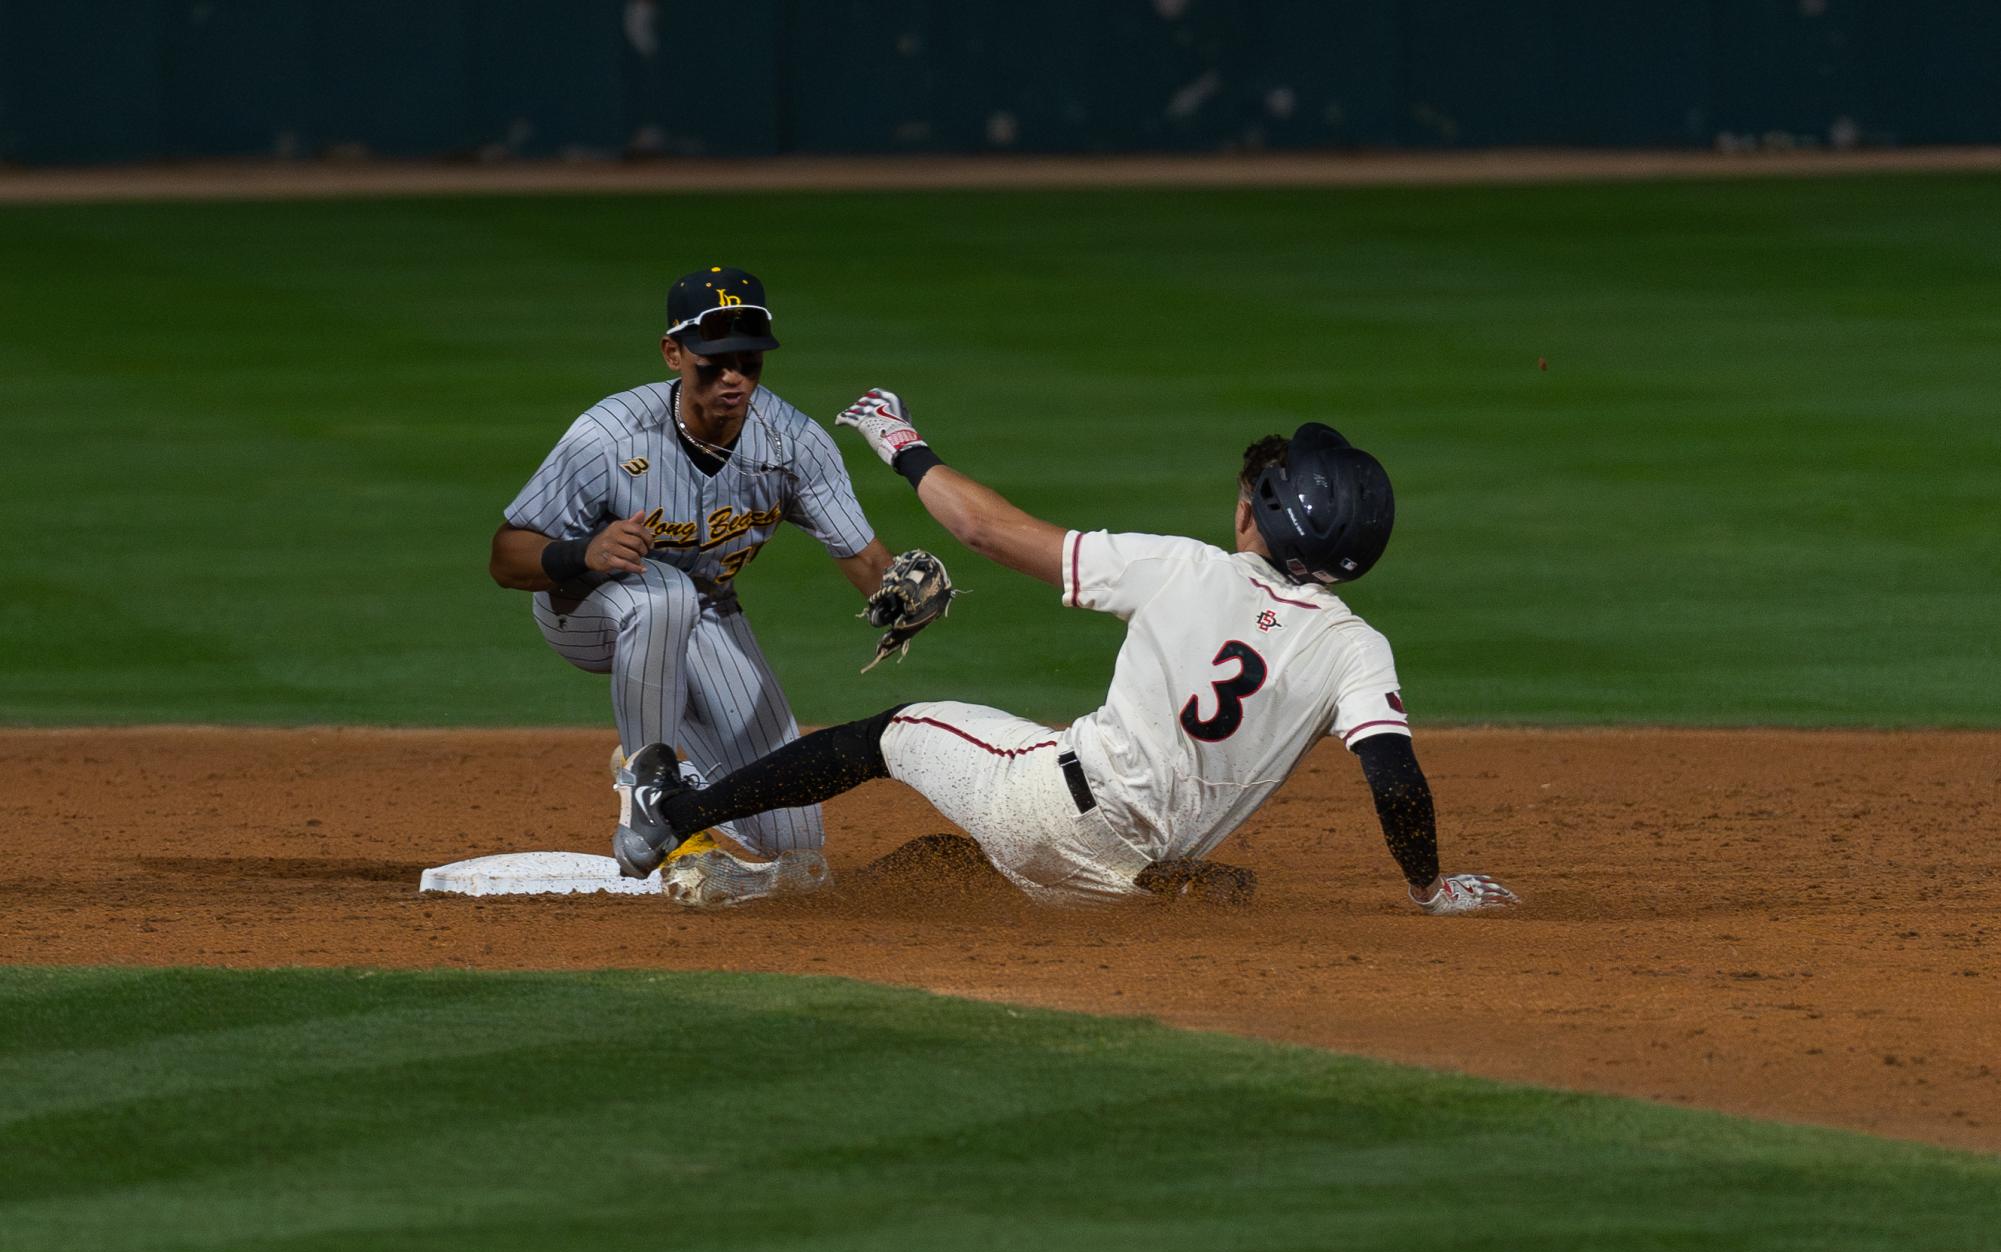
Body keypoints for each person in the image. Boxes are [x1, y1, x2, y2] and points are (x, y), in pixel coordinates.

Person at [612, 388, 1518, 915]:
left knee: (889, 734)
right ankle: (775, 891)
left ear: (1256, 507)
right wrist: (1431, 889)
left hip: (1048, 806)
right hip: (1114, 885)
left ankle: (672, 811)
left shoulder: (1184, 569)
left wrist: (902, 443)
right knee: (960, 862)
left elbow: (987, 531)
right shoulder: (1359, 649)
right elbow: (1395, 781)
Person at [490, 270, 948, 876]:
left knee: (792, 836)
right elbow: (506, 555)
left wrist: (904, 598)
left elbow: (867, 564)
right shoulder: (609, 434)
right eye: (713, 363)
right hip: (585, 610)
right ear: (673, 353)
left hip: (705, 615)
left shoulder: (793, 444)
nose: (734, 378)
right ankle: (647, 786)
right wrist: (582, 552)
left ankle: (681, 782)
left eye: (748, 362)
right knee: (663, 594)